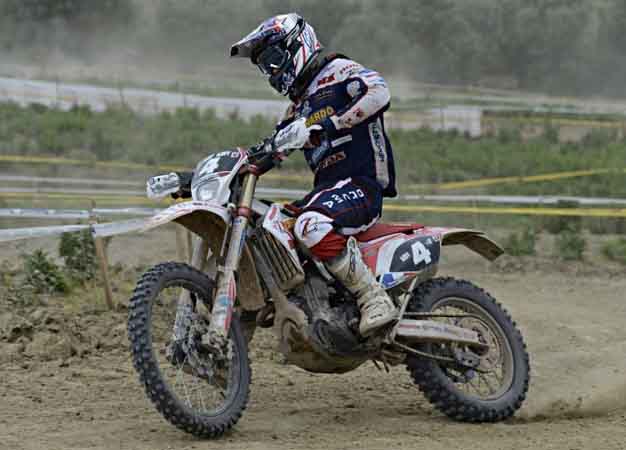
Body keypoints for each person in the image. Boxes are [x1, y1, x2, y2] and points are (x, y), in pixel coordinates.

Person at [231, 13, 397, 336]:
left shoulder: (339, 71)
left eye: (273, 59)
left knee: (311, 225)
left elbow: (379, 92)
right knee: (268, 226)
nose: (271, 72)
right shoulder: (296, 108)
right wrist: (235, 168)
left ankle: (373, 298)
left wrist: (329, 124)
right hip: (327, 193)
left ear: (297, 46)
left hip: (361, 185)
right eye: (263, 66)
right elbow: (272, 149)